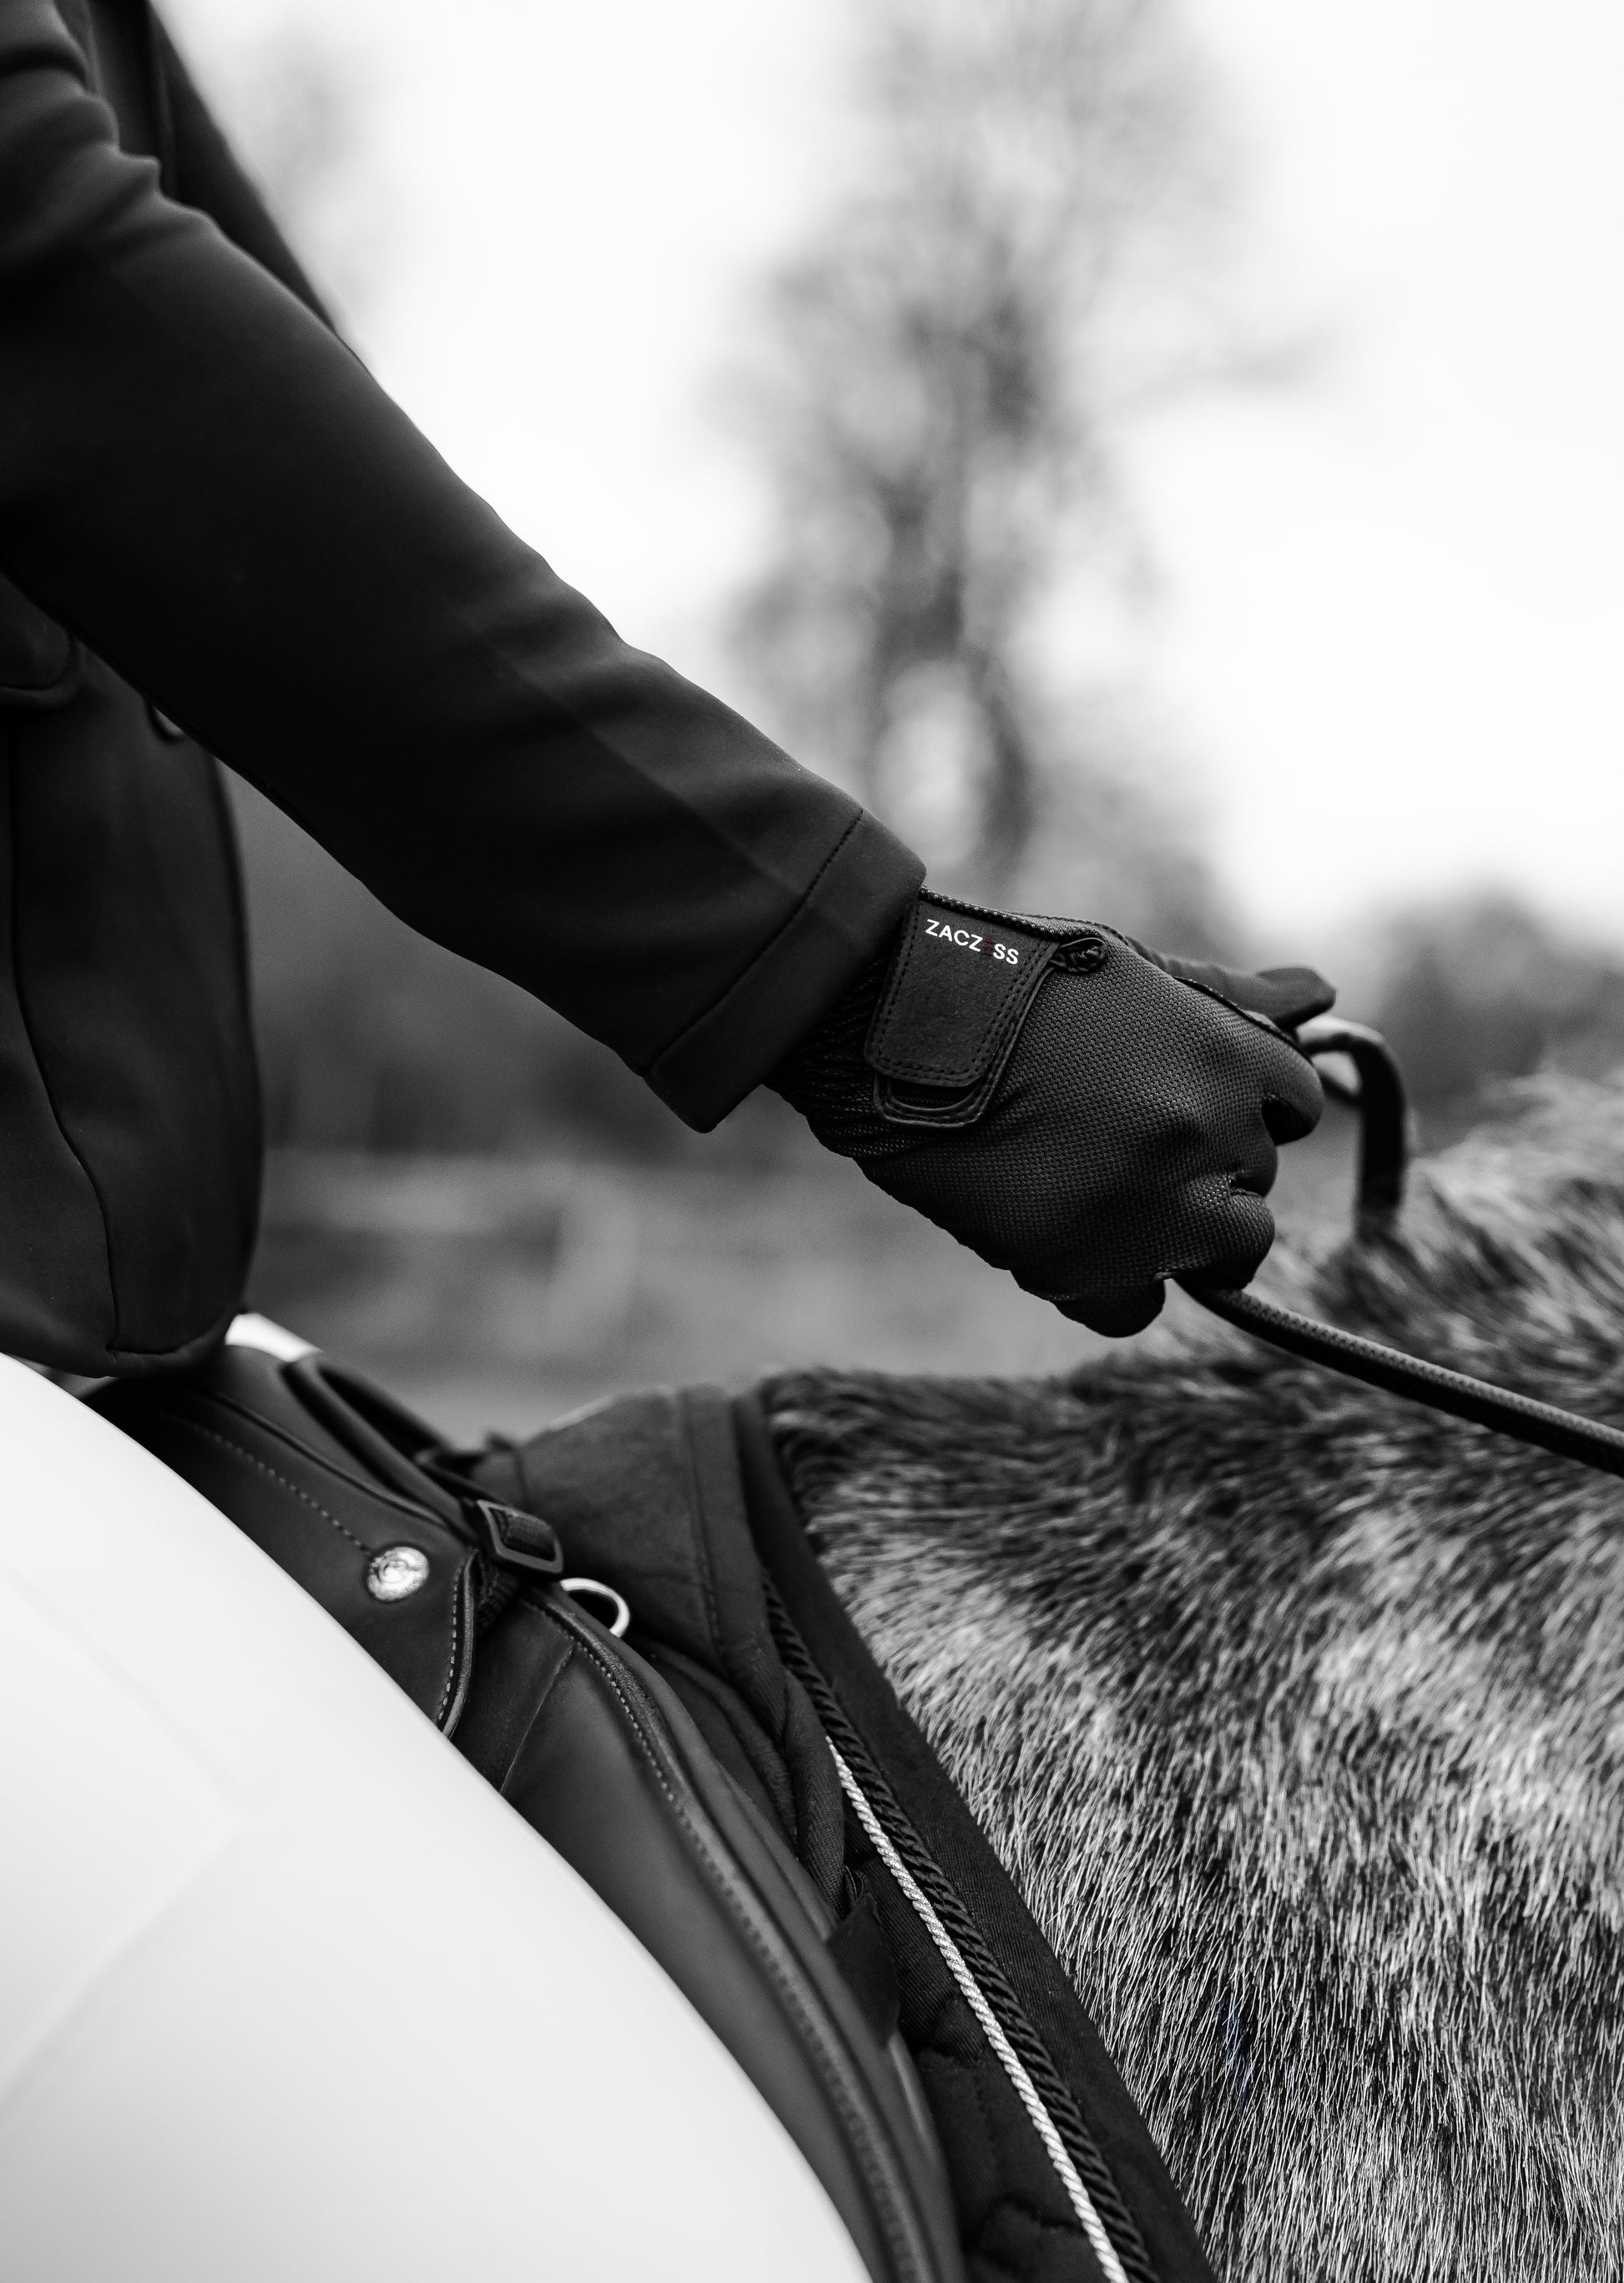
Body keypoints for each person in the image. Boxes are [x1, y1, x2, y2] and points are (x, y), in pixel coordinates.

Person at [0, 0, 1329, 1379]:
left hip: (144, 1359)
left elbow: (289, 471)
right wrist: (901, 1004)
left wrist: (997, 962)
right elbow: (67, 315)